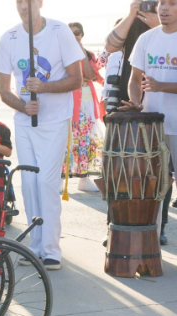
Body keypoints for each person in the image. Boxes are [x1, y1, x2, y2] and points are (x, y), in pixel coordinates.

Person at [0, 0, 83, 270]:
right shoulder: (8, 37)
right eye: (19, 2)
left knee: (46, 182)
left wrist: (43, 88)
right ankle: (35, 246)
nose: (24, 6)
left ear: (40, 2)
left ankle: (52, 249)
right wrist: (23, 106)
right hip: (24, 122)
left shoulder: (59, 31)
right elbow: (4, 90)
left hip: (55, 121)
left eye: (29, 2)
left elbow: (76, 79)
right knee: (29, 184)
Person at [119, 0, 177, 246]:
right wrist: (137, 102)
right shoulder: (146, 39)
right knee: (154, 186)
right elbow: (134, 79)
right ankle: (151, 239)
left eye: (172, 4)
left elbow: (156, 84)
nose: (164, 8)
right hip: (151, 126)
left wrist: (162, 86)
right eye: (162, 3)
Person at [63, 22, 104, 193]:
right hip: (67, 102)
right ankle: (60, 178)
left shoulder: (88, 54)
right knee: (65, 140)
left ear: (82, 34)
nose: (74, 36)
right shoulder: (61, 53)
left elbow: (89, 74)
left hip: (86, 104)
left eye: (77, 33)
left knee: (84, 140)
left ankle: (83, 178)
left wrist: (80, 50)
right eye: (70, 33)